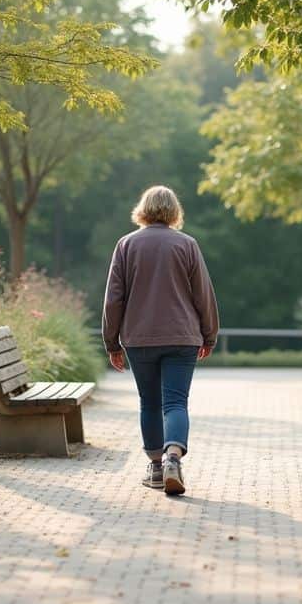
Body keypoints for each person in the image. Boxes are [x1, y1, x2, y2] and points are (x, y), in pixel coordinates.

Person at [102, 185, 220, 496]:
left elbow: (114, 299)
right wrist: (210, 334)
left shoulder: (126, 245)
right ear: (174, 211)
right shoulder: (187, 245)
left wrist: (111, 342)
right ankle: (172, 460)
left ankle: (156, 468)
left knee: (150, 402)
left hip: (139, 339)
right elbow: (203, 295)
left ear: (142, 209)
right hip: (182, 337)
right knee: (175, 402)